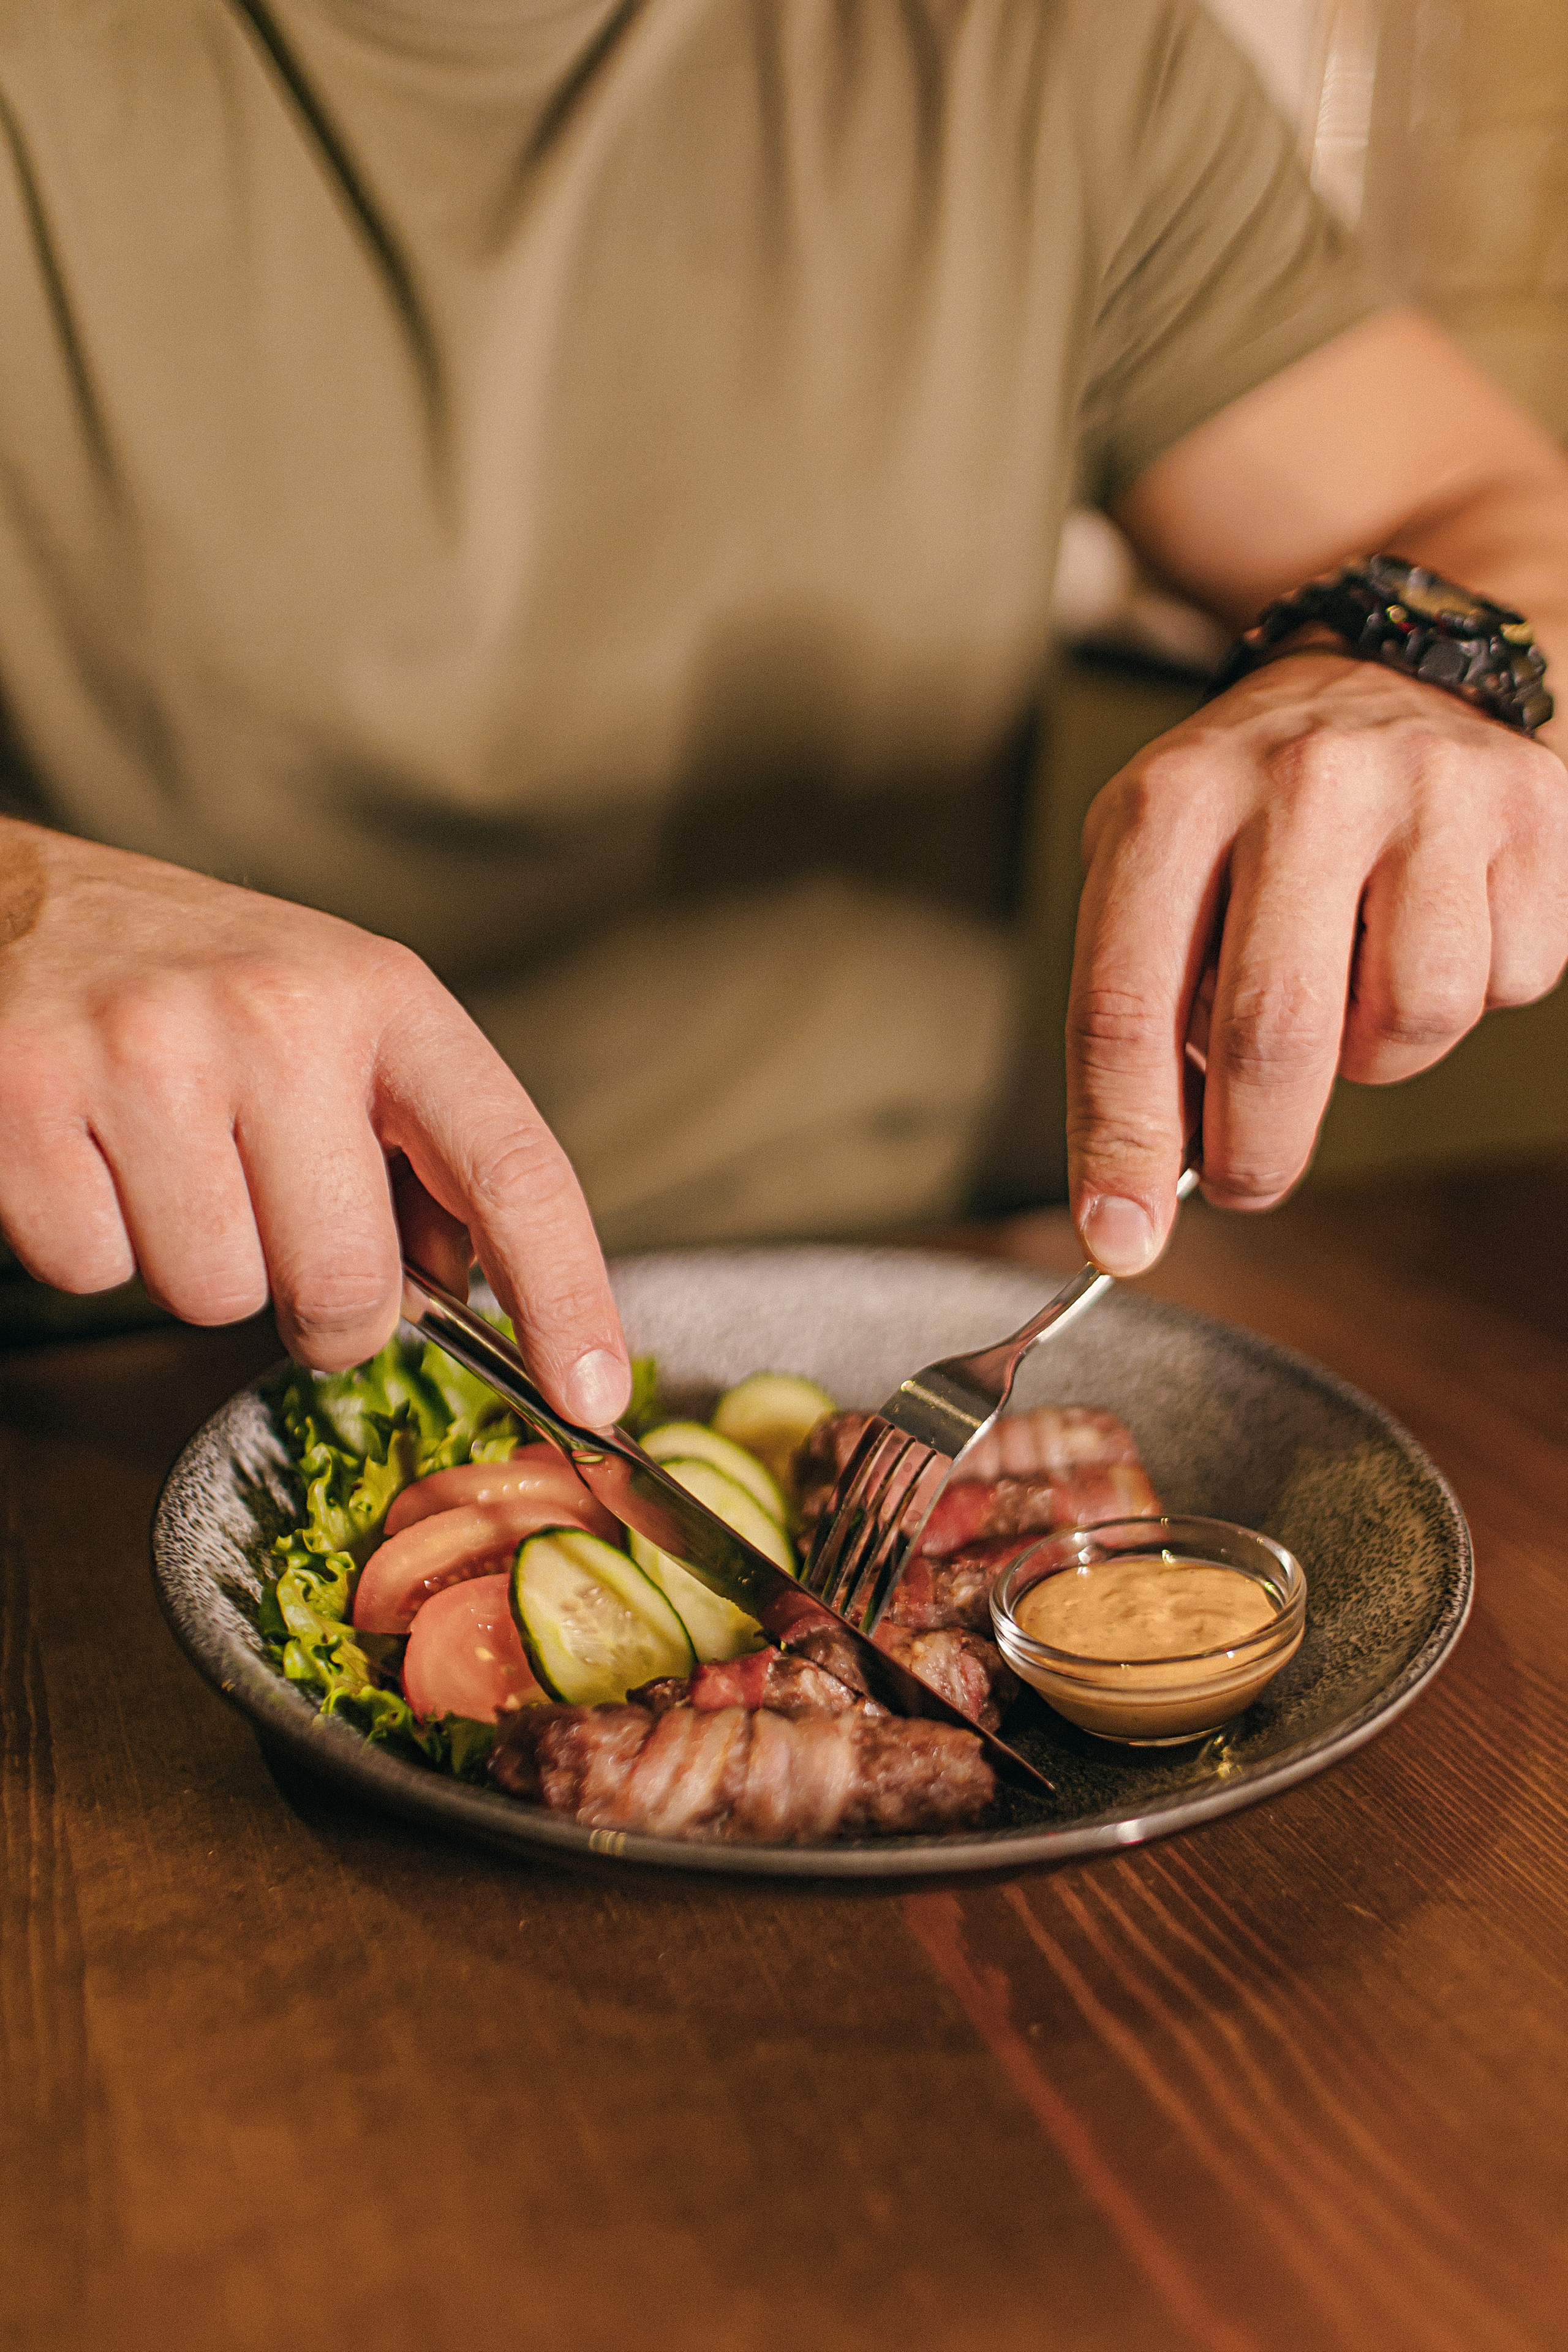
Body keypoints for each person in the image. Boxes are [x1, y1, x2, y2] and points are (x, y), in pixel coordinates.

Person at [0, 0, 1564, 1427]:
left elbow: (1496, 522)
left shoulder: (1055, 48)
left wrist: (1413, 678)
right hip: (111, 1364)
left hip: (886, 1315)